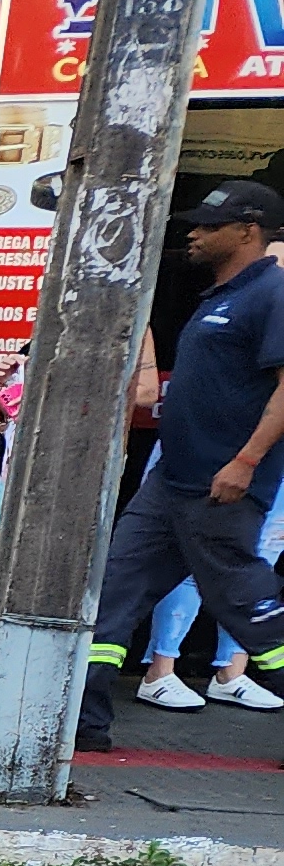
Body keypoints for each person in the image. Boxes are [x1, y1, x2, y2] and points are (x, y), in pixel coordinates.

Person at [81, 181, 284, 753]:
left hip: (221, 490)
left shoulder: (272, 294)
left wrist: (245, 463)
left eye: (208, 226)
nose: (193, 233)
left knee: (251, 614)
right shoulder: (218, 297)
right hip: (170, 485)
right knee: (113, 596)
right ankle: (84, 726)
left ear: (249, 231)